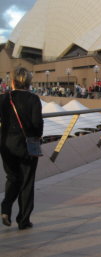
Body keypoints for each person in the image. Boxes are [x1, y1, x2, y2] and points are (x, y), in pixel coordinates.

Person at [0, 67, 43, 230]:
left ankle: (5, 208)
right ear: (29, 82)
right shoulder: (33, 99)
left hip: (6, 144)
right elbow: (37, 124)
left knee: (12, 177)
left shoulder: (4, 99)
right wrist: (37, 136)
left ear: (12, 81)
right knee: (26, 182)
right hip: (27, 146)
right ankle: (23, 220)